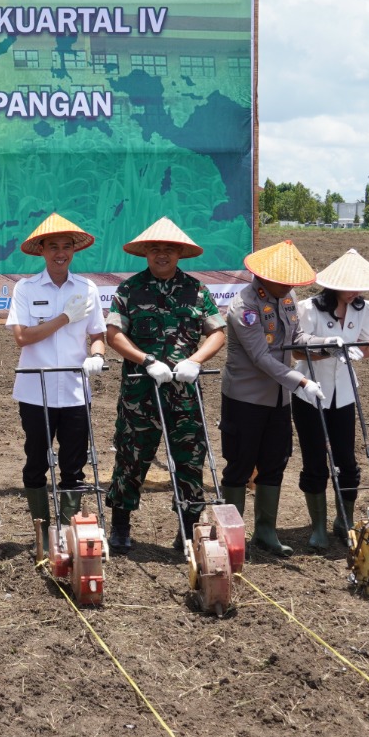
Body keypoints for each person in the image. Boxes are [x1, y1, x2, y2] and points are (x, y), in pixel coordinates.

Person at [103, 217, 225, 554]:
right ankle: (121, 526)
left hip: (184, 393)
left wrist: (196, 360)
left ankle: (188, 529)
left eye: (168, 249)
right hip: (140, 392)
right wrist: (146, 359)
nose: (161, 254)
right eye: (155, 249)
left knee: (189, 459)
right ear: (145, 253)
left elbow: (217, 332)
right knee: (131, 456)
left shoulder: (197, 290)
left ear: (179, 253)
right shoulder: (129, 290)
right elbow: (113, 335)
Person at [290, 249, 369, 550]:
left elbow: (362, 348)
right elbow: (296, 351)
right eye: (350, 286)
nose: (356, 292)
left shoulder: (365, 308)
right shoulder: (309, 308)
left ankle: (344, 520)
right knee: (314, 462)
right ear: (333, 283)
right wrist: (329, 350)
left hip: (345, 394)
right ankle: (318, 527)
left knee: (347, 461)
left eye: (360, 286)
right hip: (311, 392)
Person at [7, 212, 108, 549]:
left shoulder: (88, 288)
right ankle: (40, 531)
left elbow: (97, 334)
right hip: (36, 390)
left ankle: (66, 535)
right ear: (42, 250)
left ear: (74, 251)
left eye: (67, 247)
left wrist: (97, 354)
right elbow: (22, 337)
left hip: (77, 390)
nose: (60, 253)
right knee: (36, 460)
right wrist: (64, 318)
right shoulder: (26, 288)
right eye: (53, 247)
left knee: (74, 464)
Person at [220, 239, 327, 557]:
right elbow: (261, 357)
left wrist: (327, 343)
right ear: (265, 277)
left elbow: (295, 340)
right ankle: (232, 537)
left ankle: (266, 531)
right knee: (239, 465)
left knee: (274, 462)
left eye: (292, 282)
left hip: (279, 400)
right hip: (246, 399)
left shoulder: (287, 298)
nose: (289, 286)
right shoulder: (245, 306)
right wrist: (301, 381)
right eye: (284, 281)